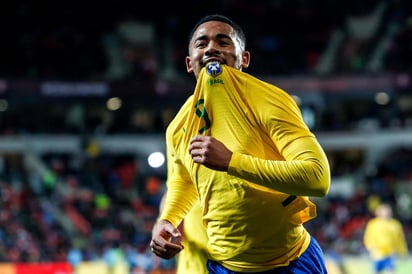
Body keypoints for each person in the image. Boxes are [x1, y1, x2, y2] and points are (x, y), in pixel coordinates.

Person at [150, 14, 331, 273]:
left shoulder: (270, 101)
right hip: (224, 266)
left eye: (223, 42)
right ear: (190, 63)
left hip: (288, 262)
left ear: (243, 59)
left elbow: (318, 177)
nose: (211, 47)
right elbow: (183, 181)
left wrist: (231, 162)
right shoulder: (179, 126)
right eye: (202, 43)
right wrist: (167, 219)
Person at [363, 203, 409, 274]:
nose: (386, 213)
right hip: (377, 254)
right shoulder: (373, 224)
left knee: (390, 271)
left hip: (390, 253)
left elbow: (400, 240)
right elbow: (368, 237)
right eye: (384, 211)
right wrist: (370, 247)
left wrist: (403, 252)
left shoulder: (395, 224)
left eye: (387, 211)